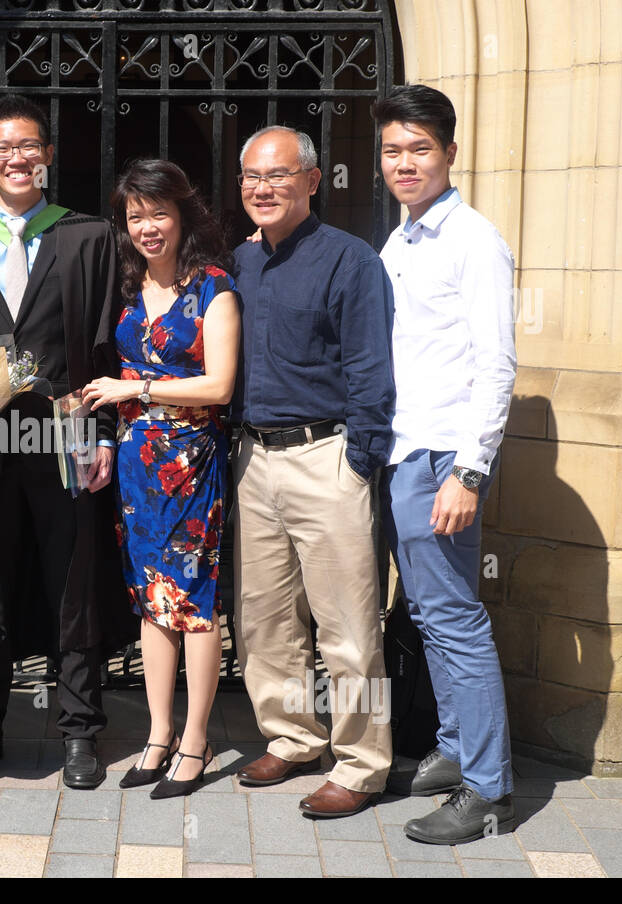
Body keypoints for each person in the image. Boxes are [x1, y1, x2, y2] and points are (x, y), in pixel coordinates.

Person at [0, 94, 130, 789]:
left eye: (30, 146)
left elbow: (110, 346)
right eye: (3, 148)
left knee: (72, 582)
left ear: (48, 156)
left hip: (67, 434)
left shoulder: (89, 238)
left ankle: (80, 729)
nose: (18, 158)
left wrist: (103, 430)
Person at [230, 125, 395, 819]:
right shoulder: (237, 263)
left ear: (313, 181)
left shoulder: (350, 261)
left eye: (279, 175)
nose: (262, 188)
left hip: (326, 457)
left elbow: (370, 369)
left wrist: (359, 462)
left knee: (350, 626)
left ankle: (363, 764)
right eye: (250, 177)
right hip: (251, 459)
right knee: (264, 620)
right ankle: (293, 735)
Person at [372, 85, 518, 843]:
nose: (404, 162)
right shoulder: (401, 241)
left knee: (456, 619)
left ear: (451, 154)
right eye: (393, 149)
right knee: (430, 614)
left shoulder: (474, 240)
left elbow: (497, 367)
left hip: (441, 459)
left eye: (419, 148)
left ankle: (488, 789)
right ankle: (459, 752)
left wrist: (469, 471)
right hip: (405, 450)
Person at [82, 159, 239, 798]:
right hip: (137, 466)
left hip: (193, 462)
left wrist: (135, 386)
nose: (148, 227)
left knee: (194, 604)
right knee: (152, 603)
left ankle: (196, 742)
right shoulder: (124, 287)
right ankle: (157, 735)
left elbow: (221, 385)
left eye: (159, 213)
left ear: (183, 215)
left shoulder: (213, 288)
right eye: (136, 216)